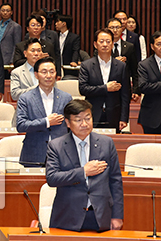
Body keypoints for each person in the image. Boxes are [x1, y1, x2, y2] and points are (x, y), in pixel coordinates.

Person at [46, 99, 124, 232]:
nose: (84, 124)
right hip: (67, 217)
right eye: (78, 120)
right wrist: (83, 172)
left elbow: (115, 181)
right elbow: (52, 178)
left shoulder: (106, 143)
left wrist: (117, 215)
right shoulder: (56, 146)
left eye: (88, 118)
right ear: (68, 123)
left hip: (100, 215)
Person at [16, 57, 73, 165]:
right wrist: (46, 122)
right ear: (36, 75)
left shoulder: (66, 98)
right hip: (34, 153)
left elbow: (72, 124)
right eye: (44, 72)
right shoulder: (26, 98)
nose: (48, 76)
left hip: (61, 153)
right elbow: (21, 125)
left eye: (52, 72)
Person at [78, 29, 130, 132]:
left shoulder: (121, 66)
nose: (105, 44)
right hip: (92, 113)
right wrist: (106, 88)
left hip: (114, 114)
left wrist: (123, 118)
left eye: (108, 41)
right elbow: (83, 89)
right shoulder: (86, 65)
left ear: (112, 44)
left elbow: (125, 95)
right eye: (101, 41)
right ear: (95, 44)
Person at [105, 18, 140, 101]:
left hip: (124, 88)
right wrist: (114, 61)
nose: (115, 30)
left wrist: (135, 89)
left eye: (117, 27)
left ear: (122, 29)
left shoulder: (129, 47)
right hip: (107, 86)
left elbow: (135, 70)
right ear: (107, 29)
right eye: (112, 28)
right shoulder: (103, 47)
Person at [56, 15, 81, 79]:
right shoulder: (54, 36)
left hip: (67, 67)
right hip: (56, 66)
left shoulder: (74, 37)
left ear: (64, 24)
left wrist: (74, 61)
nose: (55, 24)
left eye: (58, 21)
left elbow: (76, 50)